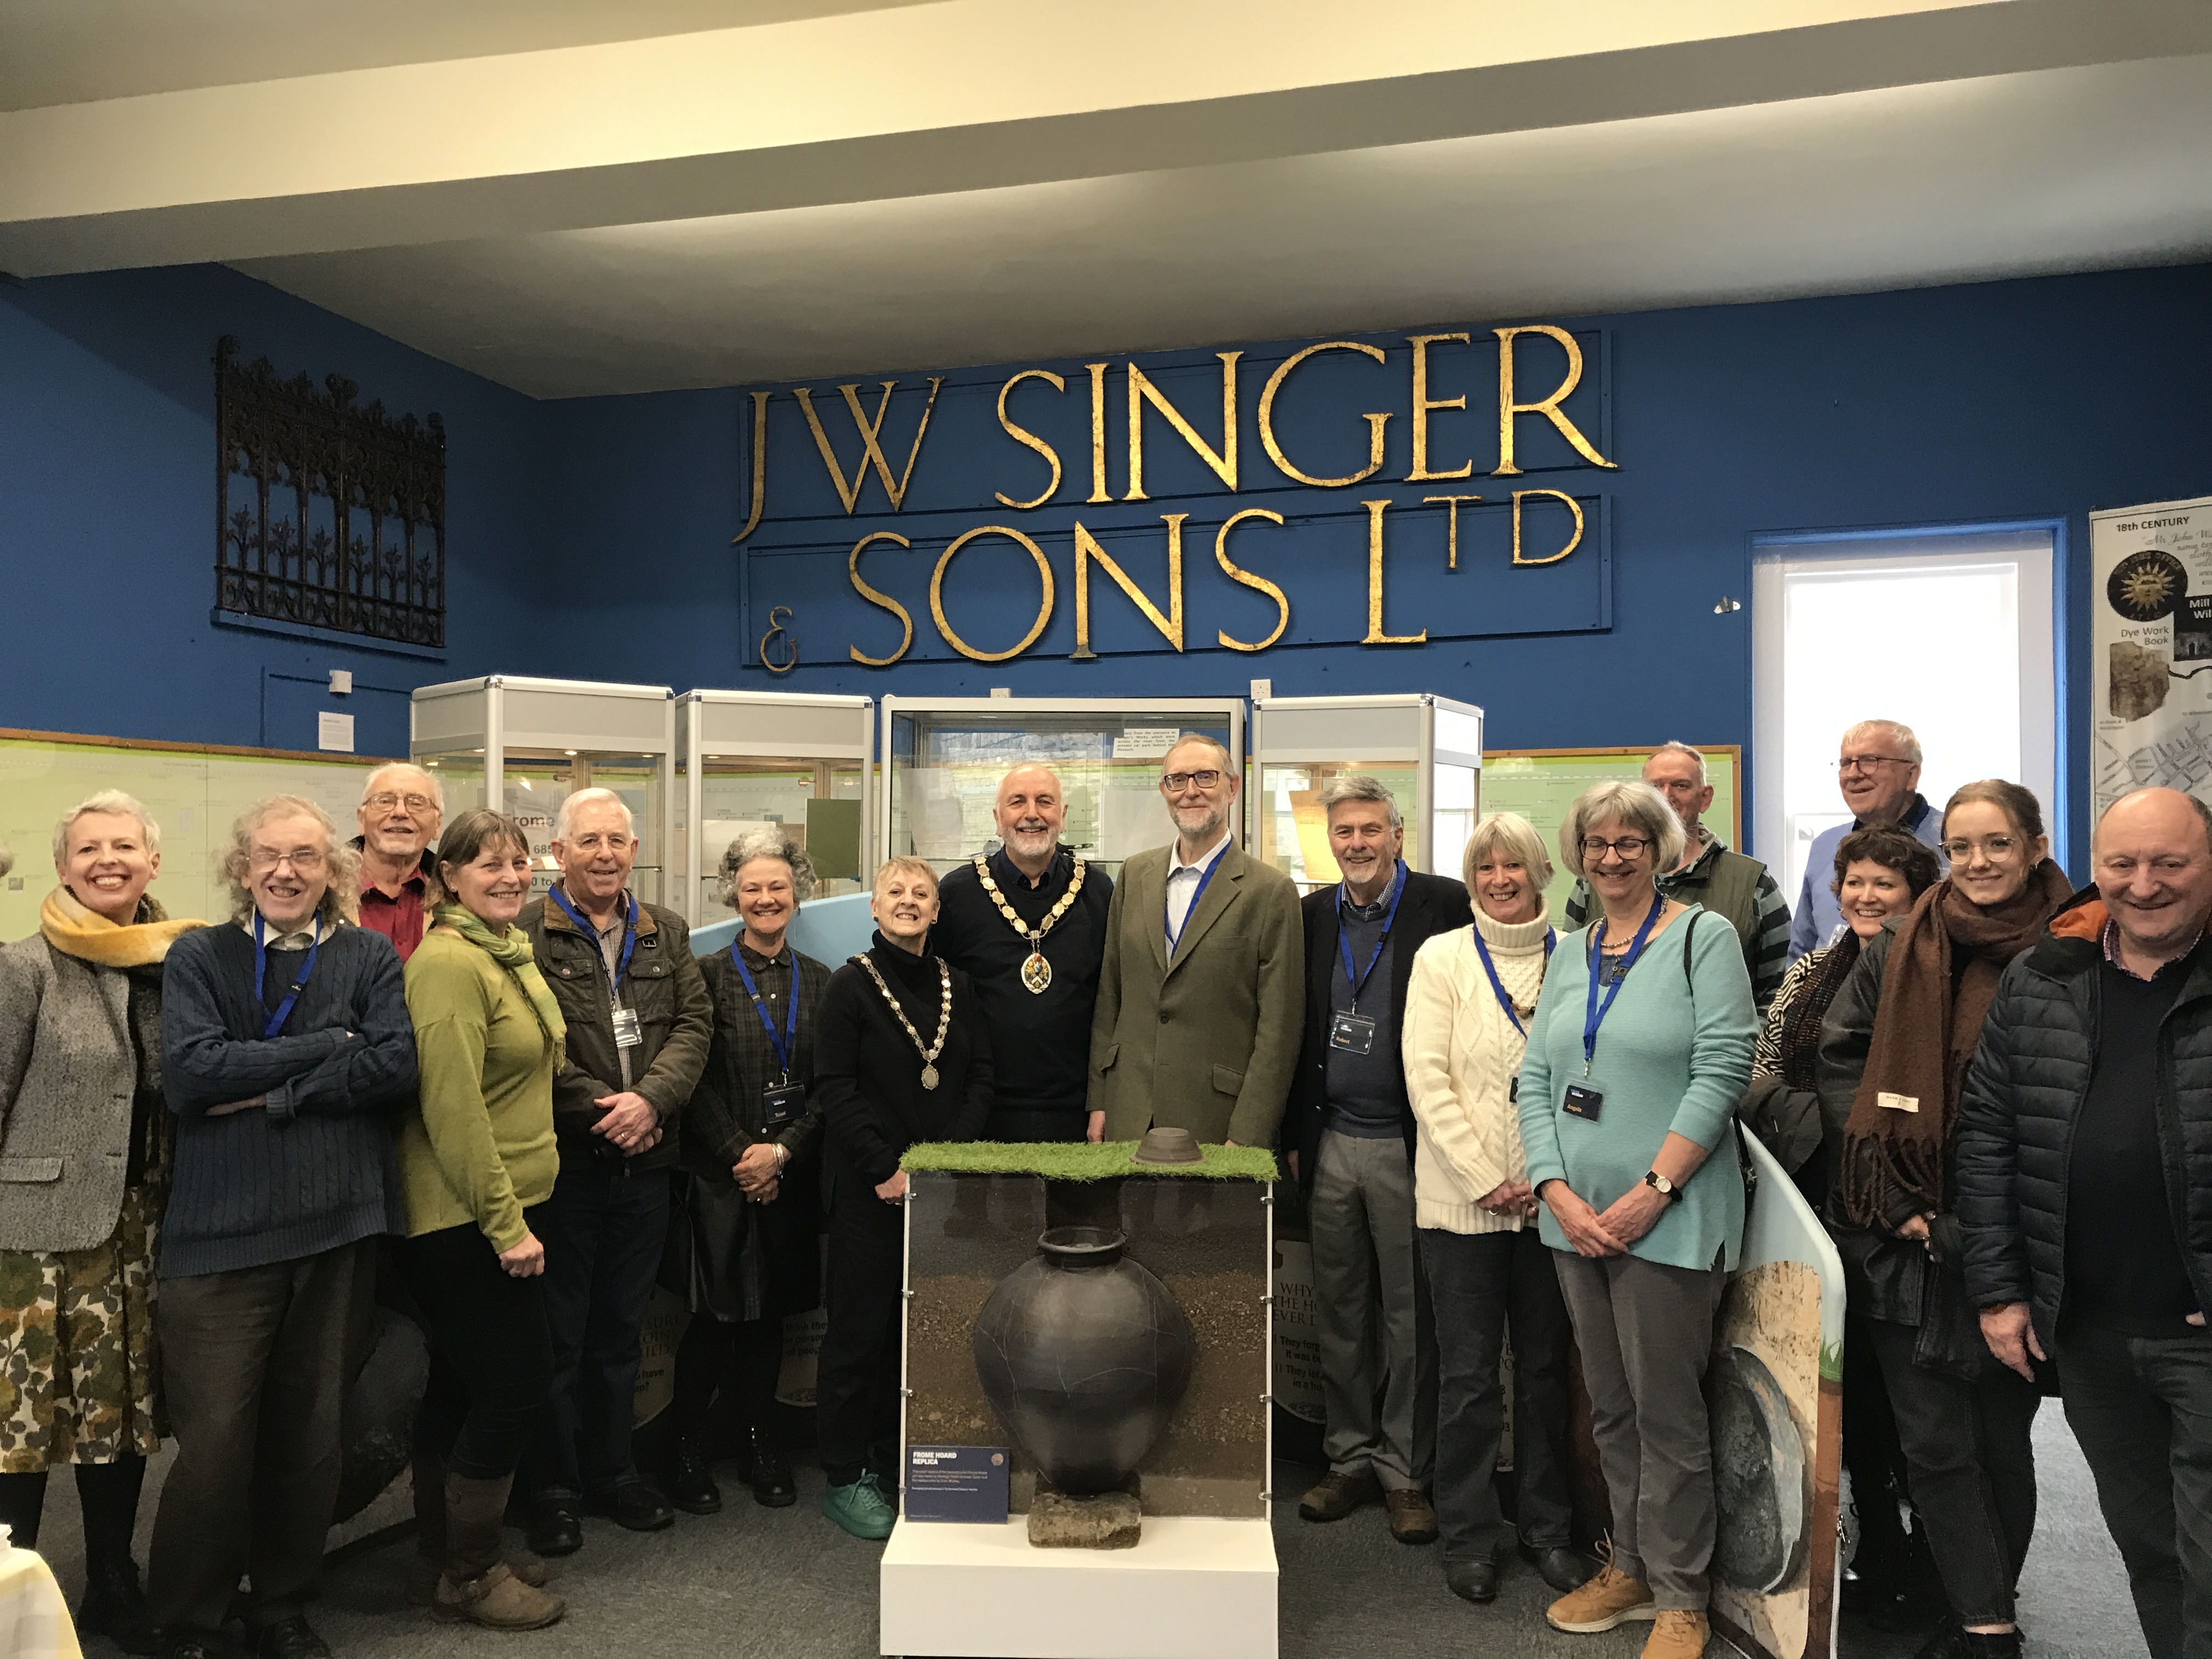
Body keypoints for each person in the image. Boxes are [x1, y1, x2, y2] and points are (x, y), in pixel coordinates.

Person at [150, 797, 416, 1659]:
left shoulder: (370, 955)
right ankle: (186, 1620)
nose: (285, 872)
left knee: (311, 1439)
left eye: (305, 856)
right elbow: (191, 1073)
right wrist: (328, 1043)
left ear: (333, 869)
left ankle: (282, 1607)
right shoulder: (199, 955)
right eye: (268, 855)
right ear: (242, 866)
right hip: (219, 1236)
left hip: (339, 1223)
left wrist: (270, 1093)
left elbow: (394, 1063)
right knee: (215, 1447)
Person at [1819, 780, 2074, 1659]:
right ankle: (1982, 1622)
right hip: (1898, 1231)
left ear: (2036, 846)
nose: (1977, 863)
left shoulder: (2077, 950)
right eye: (1962, 846)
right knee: (1932, 1447)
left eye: (1997, 844)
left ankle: (1986, 1606)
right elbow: (1838, 1065)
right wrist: (1897, 1196)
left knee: (2003, 1443)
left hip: (2012, 1239)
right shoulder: (1901, 942)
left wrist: (1974, 1217)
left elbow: (2068, 1107)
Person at [1959, 787, 2212, 1659]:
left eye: (2169, 863)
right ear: (2094, 868)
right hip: (2092, 1332)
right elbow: (1988, 1133)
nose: (2144, 884)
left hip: (2200, 1330)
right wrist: (1999, 1292)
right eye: (2124, 864)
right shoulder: (2046, 977)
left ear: (2207, 866)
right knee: (2149, 1549)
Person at [1518, 779, 1757, 1659]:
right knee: (1609, 1410)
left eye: (1630, 842)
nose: (1612, 858)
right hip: (1575, 1223)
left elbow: (1725, 1067)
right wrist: (1554, 1189)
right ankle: (1633, 1567)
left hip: (1672, 1217)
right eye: (1596, 844)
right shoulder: (1573, 952)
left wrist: (1655, 1186)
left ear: (1660, 849)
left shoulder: (1704, 938)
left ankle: (1684, 1596)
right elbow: (1538, 1079)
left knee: (1668, 1415)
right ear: (1578, 855)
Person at [0, 792, 204, 1655]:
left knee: (116, 1419)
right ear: (63, 866)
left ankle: (113, 1580)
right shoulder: (22, 966)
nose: (108, 860)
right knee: (19, 1423)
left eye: (126, 846)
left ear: (154, 863)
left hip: (141, 1231)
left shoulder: (180, 963)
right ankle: (12, 1583)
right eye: (89, 848)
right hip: (31, 1235)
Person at [1738, 823, 1943, 1632]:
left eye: (1882, 887)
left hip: (1898, 1220)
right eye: (1851, 883)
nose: (1862, 897)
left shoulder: (1931, 974)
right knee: (1843, 1397)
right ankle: (1876, 1555)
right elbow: (1760, 1071)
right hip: (1816, 1213)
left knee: (1913, 1411)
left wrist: (1829, 1121)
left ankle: (1937, 1568)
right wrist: (1823, 1122)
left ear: (1917, 895)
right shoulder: (1812, 973)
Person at [517, 788, 711, 1551]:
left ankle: (615, 1474)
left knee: (622, 1335)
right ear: (559, 853)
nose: (604, 854)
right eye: (588, 840)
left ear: (635, 851)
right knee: (560, 1337)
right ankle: (556, 1489)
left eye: (617, 841)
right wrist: (606, 1108)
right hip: (569, 1165)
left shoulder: (665, 931)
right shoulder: (527, 932)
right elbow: (530, 1042)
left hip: (649, 1167)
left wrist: (652, 1102)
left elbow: (695, 1024)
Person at [1402, 811, 1587, 1605]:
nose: (1500, 881)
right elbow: (1427, 1079)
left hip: (1553, 1210)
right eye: (1486, 868)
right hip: (1462, 1206)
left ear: (1542, 873)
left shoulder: (1577, 957)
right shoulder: (1441, 958)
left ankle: (1547, 1531)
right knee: (1471, 1377)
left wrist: (1547, 1182)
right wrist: (1485, 1177)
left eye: (1515, 866)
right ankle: (1469, 1535)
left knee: (1545, 1375)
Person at [1282, 777, 1469, 1545]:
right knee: (1341, 1311)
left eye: (1370, 829)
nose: (1356, 843)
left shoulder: (1445, 904)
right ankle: (1348, 1456)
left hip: (1409, 1144)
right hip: (1329, 1145)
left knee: (1409, 1317)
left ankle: (1405, 1473)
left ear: (1398, 834)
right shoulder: (1312, 914)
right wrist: (1291, 1136)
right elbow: (1297, 1029)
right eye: (1344, 831)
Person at [398, 810, 569, 1631]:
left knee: (462, 1385)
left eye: (518, 862)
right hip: (465, 1216)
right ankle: (469, 1572)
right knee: (514, 1386)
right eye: (487, 865)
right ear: (449, 878)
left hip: (507, 1204)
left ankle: (449, 1549)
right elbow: (453, 1111)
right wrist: (506, 1227)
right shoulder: (447, 966)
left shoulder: (505, 954)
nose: (509, 876)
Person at [812, 858, 993, 1540]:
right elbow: (834, 1087)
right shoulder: (849, 987)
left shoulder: (960, 986)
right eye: (897, 892)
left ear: (939, 912)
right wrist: (886, 1169)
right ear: (875, 907)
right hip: (870, 1192)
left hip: (938, 1192)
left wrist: (943, 1162)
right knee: (858, 1335)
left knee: (921, 1336)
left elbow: (980, 1078)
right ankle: (844, 1476)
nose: (910, 902)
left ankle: (898, 1462)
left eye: (923, 894)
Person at [667, 830, 827, 1515]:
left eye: (778, 887)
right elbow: (688, 1078)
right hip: (719, 1178)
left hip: (788, 1175)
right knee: (715, 1319)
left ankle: (762, 1443)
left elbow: (829, 1086)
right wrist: (743, 1154)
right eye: (753, 887)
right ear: (733, 894)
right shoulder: (702, 975)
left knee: (769, 1323)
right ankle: (684, 1449)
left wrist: (782, 1152)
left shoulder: (823, 981)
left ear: (798, 894)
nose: (766, 898)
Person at [1087, 734, 1302, 1146]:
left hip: (1217, 1120)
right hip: (1128, 1112)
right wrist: (1099, 1099)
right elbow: (1109, 996)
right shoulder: (1134, 875)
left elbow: (1280, 1030)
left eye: (1206, 777)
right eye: (1177, 780)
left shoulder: (1270, 891)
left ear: (1233, 788)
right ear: (1164, 791)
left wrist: (1249, 1132)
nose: (1191, 791)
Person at [932, 763, 1113, 1142]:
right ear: (998, 819)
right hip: (981, 1110)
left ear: (1062, 817)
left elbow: (1117, 1000)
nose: (1032, 813)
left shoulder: (1099, 892)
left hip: (1079, 1111)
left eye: (1044, 802)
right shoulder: (956, 895)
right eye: (1018, 802)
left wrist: (1105, 1099)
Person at [1564, 743, 1790, 1015]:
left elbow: (1781, 992)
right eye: (1655, 787)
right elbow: (1572, 979)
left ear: (1705, 798)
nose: (1665, 797)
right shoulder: (1595, 881)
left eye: (1681, 786)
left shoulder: (1753, 883)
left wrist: (1747, 1049)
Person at [1790, 720, 1945, 961]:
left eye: (1869, 761)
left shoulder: (1955, 844)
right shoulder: (1825, 846)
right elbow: (1802, 951)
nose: (1853, 774)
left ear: (1911, 775)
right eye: (1845, 763)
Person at [352, 763, 444, 963]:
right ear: (361, 820)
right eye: (384, 801)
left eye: (417, 803)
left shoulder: (456, 896)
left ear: (438, 825)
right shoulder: (322, 890)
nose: (400, 813)